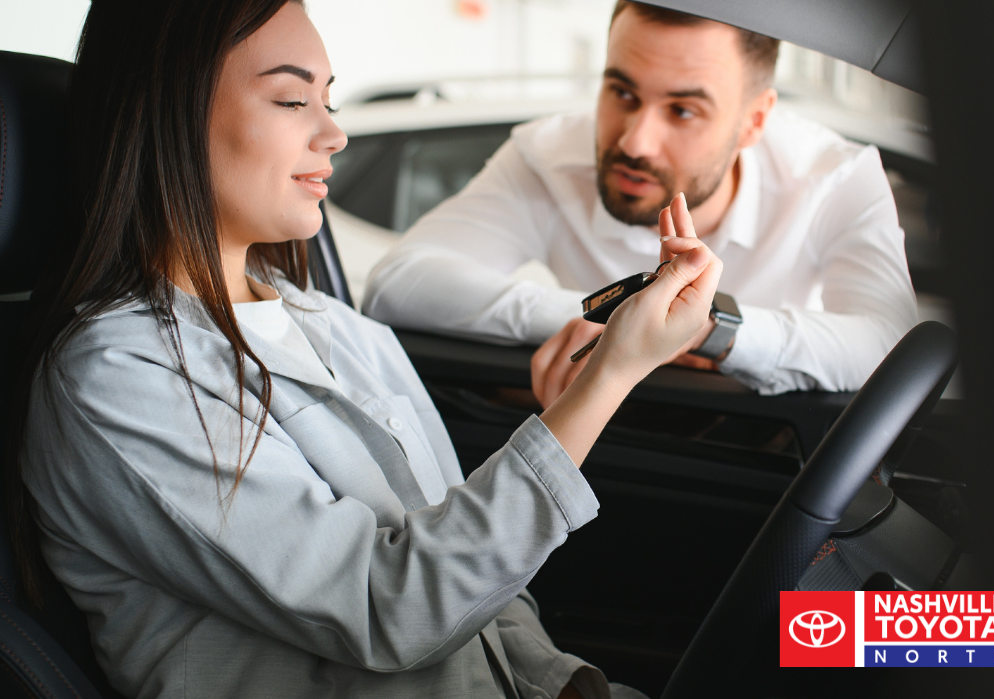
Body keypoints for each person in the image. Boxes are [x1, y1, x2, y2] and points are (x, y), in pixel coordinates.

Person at [6, 1, 721, 698]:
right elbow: (395, 608)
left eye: (329, 99)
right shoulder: (118, 375)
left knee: (814, 645)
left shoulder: (336, 325)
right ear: (171, 113)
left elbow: (481, 590)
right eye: (292, 101)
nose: (334, 134)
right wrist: (610, 374)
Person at [362, 0, 919, 404]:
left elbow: (889, 344)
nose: (632, 141)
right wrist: (609, 313)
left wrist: (708, 329)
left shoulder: (835, 178)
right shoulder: (549, 156)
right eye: (622, 93)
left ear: (754, 121)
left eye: (681, 110)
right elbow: (400, 283)